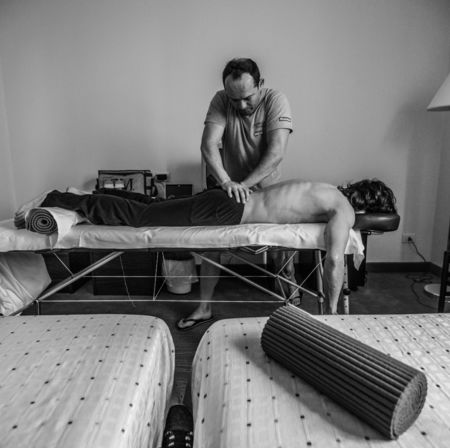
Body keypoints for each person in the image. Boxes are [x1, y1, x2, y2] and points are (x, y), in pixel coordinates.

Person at [15, 179, 397, 317]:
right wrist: (332, 313)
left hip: (226, 203)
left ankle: (87, 195)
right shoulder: (344, 209)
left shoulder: (327, 189)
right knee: (142, 218)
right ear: (369, 206)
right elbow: (334, 261)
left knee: (152, 208)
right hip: (226, 210)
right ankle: (61, 199)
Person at [200, 57, 296, 314]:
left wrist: (244, 184)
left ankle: (290, 298)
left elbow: (276, 152)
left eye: (247, 98)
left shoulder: (276, 100)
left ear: (260, 84)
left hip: (267, 191)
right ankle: (203, 307)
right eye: (235, 100)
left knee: (280, 248)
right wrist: (226, 182)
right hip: (231, 190)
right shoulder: (221, 100)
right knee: (210, 244)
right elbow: (208, 145)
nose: (241, 105)